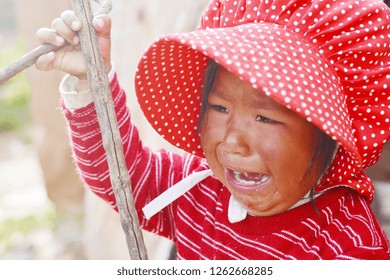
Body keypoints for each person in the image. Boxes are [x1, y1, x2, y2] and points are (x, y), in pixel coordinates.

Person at [35, 0, 390, 259]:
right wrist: (90, 81)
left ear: (328, 133)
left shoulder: (349, 245)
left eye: (265, 118)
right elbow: (120, 176)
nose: (232, 140)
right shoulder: (200, 191)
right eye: (219, 108)